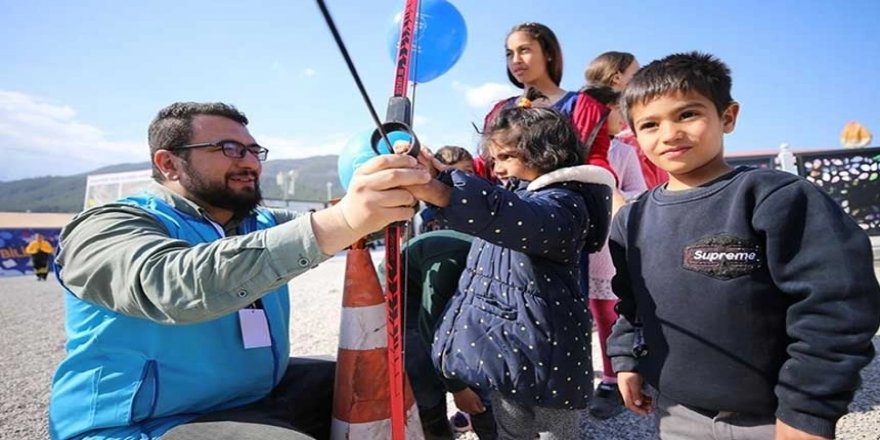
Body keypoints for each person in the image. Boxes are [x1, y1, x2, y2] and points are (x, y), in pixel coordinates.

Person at [48, 102, 430, 440]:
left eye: (253, 150)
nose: (250, 162)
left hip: (251, 397)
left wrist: (406, 182)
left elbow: (348, 228)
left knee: (381, 379)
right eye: (229, 149)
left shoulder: (255, 221)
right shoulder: (107, 225)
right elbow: (172, 285)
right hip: (141, 425)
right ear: (169, 164)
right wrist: (343, 219)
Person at [607, 52, 880, 440]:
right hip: (675, 414)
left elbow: (835, 305)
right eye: (650, 124)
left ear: (728, 116)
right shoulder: (632, 220)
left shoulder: (775, 199)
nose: (669, 134)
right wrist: (626, 359)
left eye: (687, 114)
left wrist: (807, 410)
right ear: (634, 135)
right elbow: (632, 305)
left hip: (772, 418)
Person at [402, 91, 615, 439]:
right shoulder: (518, 198)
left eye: (506, 157)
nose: (496, 168)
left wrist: (442, 190)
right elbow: (500, 209)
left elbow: (514, 216)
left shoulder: (564, 204)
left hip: (551, 364)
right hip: (510, 357)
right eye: (493, 158)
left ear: (544, 152)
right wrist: (440, 178)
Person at [579, 86, 647, 420]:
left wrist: (613, 192)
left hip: (608, 241)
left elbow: (639, 191)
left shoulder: (622, 151)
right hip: (576, 241)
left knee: (610, 311)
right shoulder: (572, 149)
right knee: (582, 312)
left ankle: (612, 377)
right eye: (617, 109)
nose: (622, 117)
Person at [473, 22, 613, 180]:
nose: (516, 60)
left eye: (524, 50)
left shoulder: (582, 106)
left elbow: (595, 162)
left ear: (548, 53)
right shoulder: (500, 109)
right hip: (504, 194)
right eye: (509, 54)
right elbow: (485, 164)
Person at [398, 229, 498, 440]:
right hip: (406, 291)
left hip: (451, 280)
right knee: (422, 368)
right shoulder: (449, 267)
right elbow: (431, 330)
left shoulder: (501, 269)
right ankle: (435, 429)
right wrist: (458, 389)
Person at [585, 51, 668, 189]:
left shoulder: (584, 123)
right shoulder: (629, 131)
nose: (642, 79)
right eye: (637, 73)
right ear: (617, 77)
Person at [419, 146, 476, 233]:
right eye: (452, 174)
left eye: (468, 172)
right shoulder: (429, 215)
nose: (461, 178)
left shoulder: (483, 208)